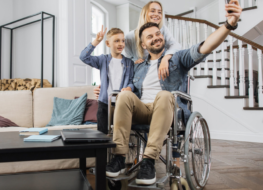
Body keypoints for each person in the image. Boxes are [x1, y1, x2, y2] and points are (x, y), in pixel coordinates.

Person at [105, 0, 242, 185]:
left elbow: (205, 47)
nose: (156, 38)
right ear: (144, 45)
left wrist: (229, 24)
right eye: (149, 37)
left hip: (165, 109)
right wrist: (125, 88)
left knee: (164, 95)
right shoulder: (138, 66)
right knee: (124, 95)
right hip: (142, 110)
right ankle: (119, 157)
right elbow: (119, 79)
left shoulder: (178, 59)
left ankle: (148, 161)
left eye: (158, 34)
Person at [80, 27, 134, 134]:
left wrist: (129, 88)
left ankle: (118, 151)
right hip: (104, 103)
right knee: (102, 134)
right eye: (116, 41)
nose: (121, 44)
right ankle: (103, 151)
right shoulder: (102, 60)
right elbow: (83, 57)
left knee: (120, 133)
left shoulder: (129, 63)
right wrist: (96, 41)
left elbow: (131, 81)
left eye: (123, 40)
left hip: (122, 103)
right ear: (108, 44)